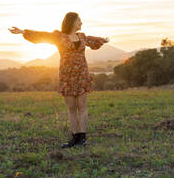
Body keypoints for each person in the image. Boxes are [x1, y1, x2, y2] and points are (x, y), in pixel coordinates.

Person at [8, 12, 109, 148]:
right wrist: (22, 31)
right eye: (79, 20)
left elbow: (94, 41)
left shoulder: (82, 36)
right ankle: (74, 138)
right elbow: (42, 35)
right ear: (72, 22)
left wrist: (102, 39)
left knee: (82, 107)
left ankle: (82, 139)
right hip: (67, 76)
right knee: (72, 108)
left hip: (82, 75)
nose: (81, 23)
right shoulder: (58, 37)